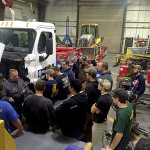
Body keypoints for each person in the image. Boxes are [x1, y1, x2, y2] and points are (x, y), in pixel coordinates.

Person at [91, 79, 112, 147]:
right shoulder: (108, 96)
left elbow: (92, 110)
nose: (98, 85)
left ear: (103, 87)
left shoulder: (102, 99)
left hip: (98, 124)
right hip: (103, 121)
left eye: (99, 84)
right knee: (102, 139)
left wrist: (94, 106)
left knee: (96, 143)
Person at [82, 67, 100, 142]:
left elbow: (86, 99)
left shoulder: (90, 86)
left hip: (88, 109)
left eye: (87, 73)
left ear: (90, 75)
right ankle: (89, 138)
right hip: (94, 107)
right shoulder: (98, 84)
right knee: (90, 125)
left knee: (85, 124)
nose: (86, 74)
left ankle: (85, 139)